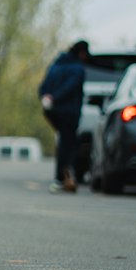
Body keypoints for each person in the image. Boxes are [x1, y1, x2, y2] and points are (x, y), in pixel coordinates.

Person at [38, 40, 90, 192]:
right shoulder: (78, 68)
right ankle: (63, 178)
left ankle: (63, 177)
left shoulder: (56, 65)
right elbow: (70, 87)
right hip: (69, 112)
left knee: (63, 143)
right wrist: (55, 97)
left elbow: (43, 86)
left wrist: (46, 97)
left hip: (52, 110)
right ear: (81, 53)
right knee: (69, 145)